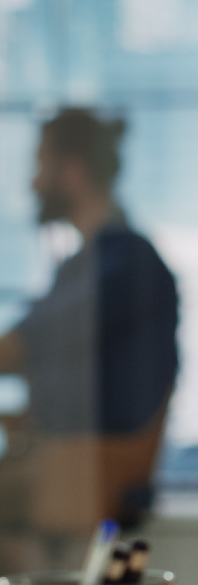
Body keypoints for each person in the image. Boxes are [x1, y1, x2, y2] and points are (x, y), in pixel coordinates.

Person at [0, 109, 178, 559]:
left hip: (88, 469)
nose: (33, 182)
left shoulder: (122, 264)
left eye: (41, 164)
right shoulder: (90, 264)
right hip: (65, 459)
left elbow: (22, 347)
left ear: (73, 172)